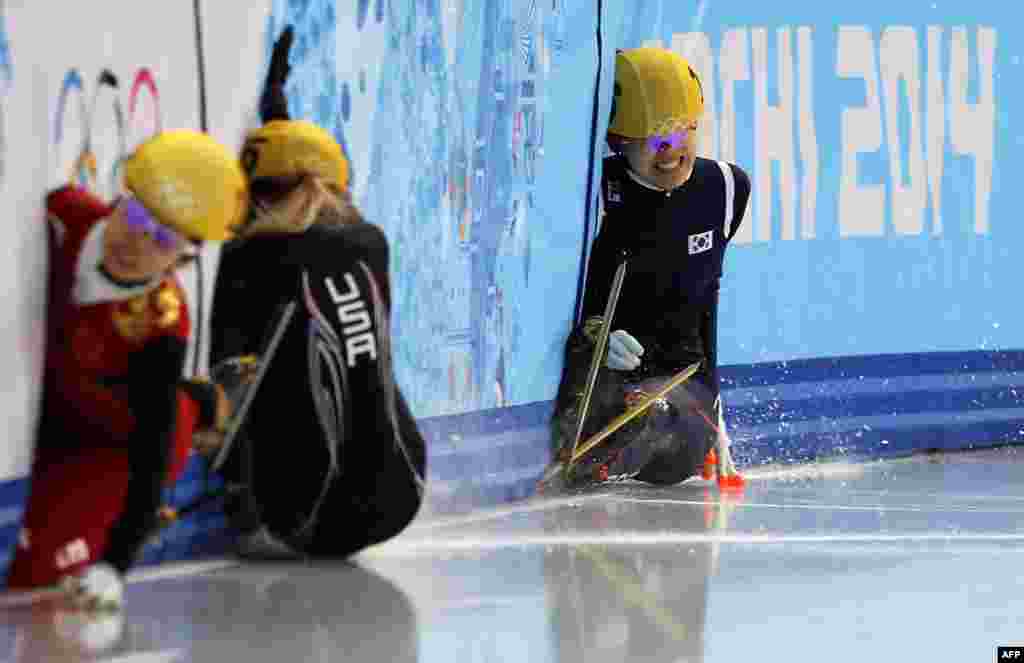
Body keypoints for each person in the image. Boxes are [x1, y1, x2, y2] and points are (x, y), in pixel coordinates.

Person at [203, 26, 427, 560]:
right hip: (405, 490)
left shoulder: (246, 260)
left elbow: (228, 383)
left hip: (306, 518)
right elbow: (306, 228)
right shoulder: (369, 243)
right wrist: (278, 117)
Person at [5, 130, 249, 609]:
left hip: (114, 450)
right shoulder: (65, 215)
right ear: (121, 195)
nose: (136, 242)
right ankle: (204, 399)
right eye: (137, 215)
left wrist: (115, 565)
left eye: (164, 238)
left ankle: (199, 406)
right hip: (67, 410)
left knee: (32, 572)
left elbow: (150, 455)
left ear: (186, 256)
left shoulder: (161, 325)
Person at [546, 47, 750, 490]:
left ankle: (629, 441)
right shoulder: (599, 192)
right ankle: (607, 442)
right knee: (618, 396)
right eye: (654, 141)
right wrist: (596, 332)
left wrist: (718, 419)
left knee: (667, 417)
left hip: (682, 386)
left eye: (683, 134)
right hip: (606, 373)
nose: (671, 153)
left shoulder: (727, 188)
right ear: (620, 141)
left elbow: (707, 301)